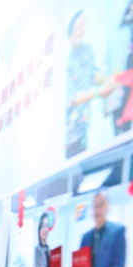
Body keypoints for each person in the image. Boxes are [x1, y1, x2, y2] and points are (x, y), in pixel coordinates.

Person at [66, 10, 117, 157]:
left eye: (84, 24)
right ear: (70, 33)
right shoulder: (66, 59)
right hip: (71, 133)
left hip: (85, 125)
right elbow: (72, 98)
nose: (83, 30)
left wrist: (110, 79)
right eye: (78, 26)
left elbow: (94, 75)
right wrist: (98, 93)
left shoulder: (87, 49)